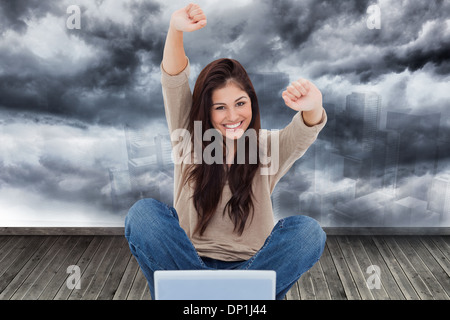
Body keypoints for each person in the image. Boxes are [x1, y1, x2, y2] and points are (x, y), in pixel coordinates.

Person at [125, 3, 328, 300]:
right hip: (186, 264)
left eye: (240, 103)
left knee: (308, 232)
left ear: (252, 104)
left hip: (255, 269)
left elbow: (305, 130)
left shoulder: (266, 146)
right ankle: (218, 295)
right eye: (220, 107)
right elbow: (174, 80)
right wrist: (175, 29)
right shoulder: (189, 137)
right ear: (206, 111)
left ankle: (215, 297)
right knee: (142, 214)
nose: (232, 116)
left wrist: (313, 103)